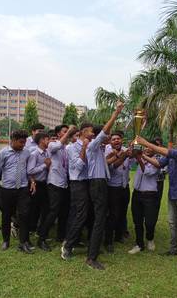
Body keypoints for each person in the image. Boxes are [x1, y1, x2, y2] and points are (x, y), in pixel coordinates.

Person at [61, 101, 123, 270]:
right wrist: (116, 113)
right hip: (96, 184)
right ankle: (90, 257)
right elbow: (104, 131)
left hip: (98, 183)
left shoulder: (96, 147)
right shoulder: (92, 146)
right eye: (102, 135)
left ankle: (90, 250)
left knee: (97, 218)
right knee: (98, 219)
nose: (108, 137)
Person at [136, 126, 177, 266]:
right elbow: (158, 163)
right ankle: (173, 249)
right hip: (173, 192)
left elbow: (167, 152)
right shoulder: (174, 153)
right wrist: (141, 155)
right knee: (172, 223)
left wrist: (146, 143)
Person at [0, 129, 34, 253]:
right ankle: (6, 240)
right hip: (7, 190)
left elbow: (28, 171)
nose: (23, 145)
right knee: (6, 216)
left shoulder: (26, 153)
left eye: (24, 142)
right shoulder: (3, 153)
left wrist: (32, 181)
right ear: (13, 140)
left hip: (22, 189)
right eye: (20, 142)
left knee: (24, 215)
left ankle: (23, 242)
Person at [36, 125, 76, 251]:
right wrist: (69, 131)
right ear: (59, 134)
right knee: (53, 211)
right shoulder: (53, 145)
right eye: (64, 132)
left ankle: (61, 236)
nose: (67, 134)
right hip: (54, 183)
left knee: (64, 212)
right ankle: (41, 238)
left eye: (67, 131)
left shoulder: (66, 148)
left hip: (64, 183)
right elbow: (57, 146)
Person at [128, 144, 160, 254]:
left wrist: (140, 158)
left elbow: (147, 172)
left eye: (150, 148)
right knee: (137, 221)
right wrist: (131, 150)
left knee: (150, 222)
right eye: (145, 147)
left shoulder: (156, 162)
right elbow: (130, 161)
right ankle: (139, 244)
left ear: (154, 151)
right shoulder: (139, 158)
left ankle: (150, 238)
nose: (146, 149)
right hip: (137, 194)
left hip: (149, 195)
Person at [104, 132, 133, 252]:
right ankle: (108, 241)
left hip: (124, 187)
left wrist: (134, 152)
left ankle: (118, 236)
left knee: (122, 213)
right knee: (113, 215)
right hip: (112, 188)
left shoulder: (126, 150)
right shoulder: (107, 151)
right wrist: (124, 156)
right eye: (114, 139)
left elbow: (132, 162)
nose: (116, 141)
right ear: (110, 141)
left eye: (118, 139)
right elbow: (113, 167)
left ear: (122, 140)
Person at [27, 132, 51, 249]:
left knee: (45, 210)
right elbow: (30, 170)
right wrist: (44, 166)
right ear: (41, 140)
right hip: (36, 185)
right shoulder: (35, 153)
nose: (49, 141)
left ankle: (41, 235)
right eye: (47, 139)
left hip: (44, 184)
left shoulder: (46, 152)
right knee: (33, 211)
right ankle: (27, 235)